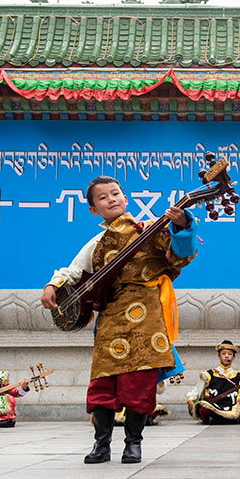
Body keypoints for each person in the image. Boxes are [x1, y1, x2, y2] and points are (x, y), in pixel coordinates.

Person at [41, 175, 197, 464]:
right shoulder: (98, 243)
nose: (111, 199)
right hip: (110, 317)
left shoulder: (149, 230)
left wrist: (183, 225)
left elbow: (181, 255)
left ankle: (133, 444)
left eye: (116, 194)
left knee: (139, 383)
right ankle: (101, 444)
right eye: (103, 197)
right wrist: (53, 285)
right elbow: (73, 272)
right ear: (93, 209)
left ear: (126, 199)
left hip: (146, 317)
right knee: (103, 383)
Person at [187, 340, 240, 424]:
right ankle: (230, 419)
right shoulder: (208, 375)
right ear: (219, 356)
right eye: (223, 354)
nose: (227, 356)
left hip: (233, 408)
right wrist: (191, 401)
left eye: (230, 354)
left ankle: (226, 418)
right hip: (214, 408)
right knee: (203, 407)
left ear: (233, 357)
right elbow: (195, 392)